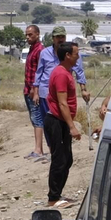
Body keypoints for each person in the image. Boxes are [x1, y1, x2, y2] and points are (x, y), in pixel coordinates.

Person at [44, 41, 82, 209]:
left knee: (67, 159)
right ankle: (53, 198)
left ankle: (58, 194)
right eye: (76, 54)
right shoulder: (60, 74)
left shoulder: (66, 72)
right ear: (67, 55)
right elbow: (62, 103)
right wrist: (72, 126)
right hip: (56, 122)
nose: (78, 57)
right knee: (59, 160)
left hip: (61, 122)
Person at [34, 26, 89, 130]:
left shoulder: (72, 54)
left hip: (63, 93)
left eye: (62, 36)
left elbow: (79, 71)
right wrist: (36, 92)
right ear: (53, 38)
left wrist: (83, 90)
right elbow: (39, 72)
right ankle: (51, 145)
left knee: (62, 122)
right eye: (58, 37)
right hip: (45, 92)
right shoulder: (44, 53)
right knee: (48, 124)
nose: (60, 39)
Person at [22, 25, 47, 160]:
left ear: (37, 34)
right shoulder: (32, 49)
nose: (28, 37)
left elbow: (40, 71)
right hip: (28, 89)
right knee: (34, 118)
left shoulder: (40, 50)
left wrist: (34, 89)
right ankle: (37, 149)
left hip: (33, 90)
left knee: (37, 118)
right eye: (26, 34)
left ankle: (39, 150)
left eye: (30, 34)